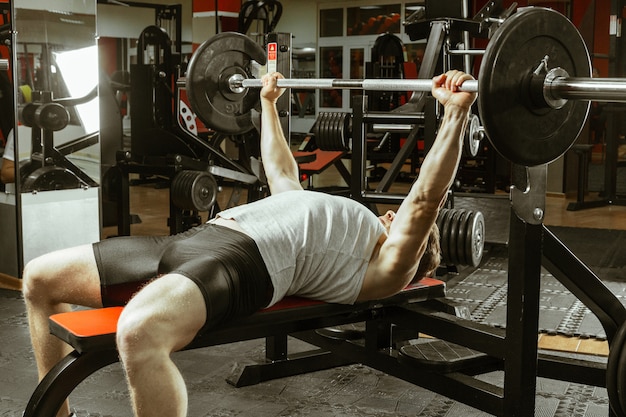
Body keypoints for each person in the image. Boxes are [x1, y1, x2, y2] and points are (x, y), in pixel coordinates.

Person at [22, 70, 476, 417]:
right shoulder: (331, 219)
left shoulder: (389, 268)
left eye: (399, 221)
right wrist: (269, 104)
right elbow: (280, 172)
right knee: (40, 278)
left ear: (415, 250)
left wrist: (456, 112)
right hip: (200, 236)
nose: (390, 212)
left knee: (140, 333)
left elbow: (425, 199)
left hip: (246, 261)